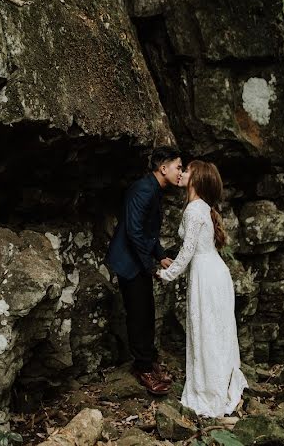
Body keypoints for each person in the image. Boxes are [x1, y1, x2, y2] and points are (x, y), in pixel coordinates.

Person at [157, 160, 247, 417]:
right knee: (213, 332)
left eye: (187, 171)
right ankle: (217, 383)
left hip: (207, 276)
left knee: (207, 331)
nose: (182, 173)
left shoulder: (194, 210)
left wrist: (166, 274)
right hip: (213, 273)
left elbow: (187, 252)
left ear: (195, 179)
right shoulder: (201, 208)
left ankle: (211, 391)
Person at [106, 146, 182, 395]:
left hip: (139, 259)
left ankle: (148, 361)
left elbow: (149, 233)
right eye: (178, 167)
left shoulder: (155, 190)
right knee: (138, 314)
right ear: (163, 168)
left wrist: (160, 257)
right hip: (129, 262)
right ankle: (143, 368)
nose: (180, 172)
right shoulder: (142, 189)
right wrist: (150, 266)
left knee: (147, 312)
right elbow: (134, 232)